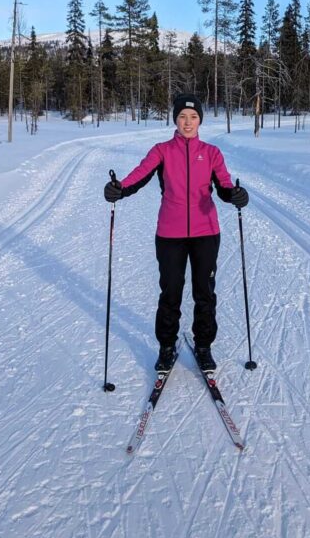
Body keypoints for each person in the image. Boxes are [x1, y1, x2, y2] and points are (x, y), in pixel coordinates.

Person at [103, 93, 249, 373]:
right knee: (170, 291)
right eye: (182, 116)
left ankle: (203, 346)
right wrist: (118, 189)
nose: (188, 122)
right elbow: (138, 176)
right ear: (175, 119)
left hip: (206, 232)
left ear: (200, 121)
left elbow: (225, 187)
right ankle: (166, 347)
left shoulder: (212, 153)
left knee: (204, 291)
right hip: (170, 234)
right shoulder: (161, 151)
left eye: (193, 117)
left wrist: (236, 196)